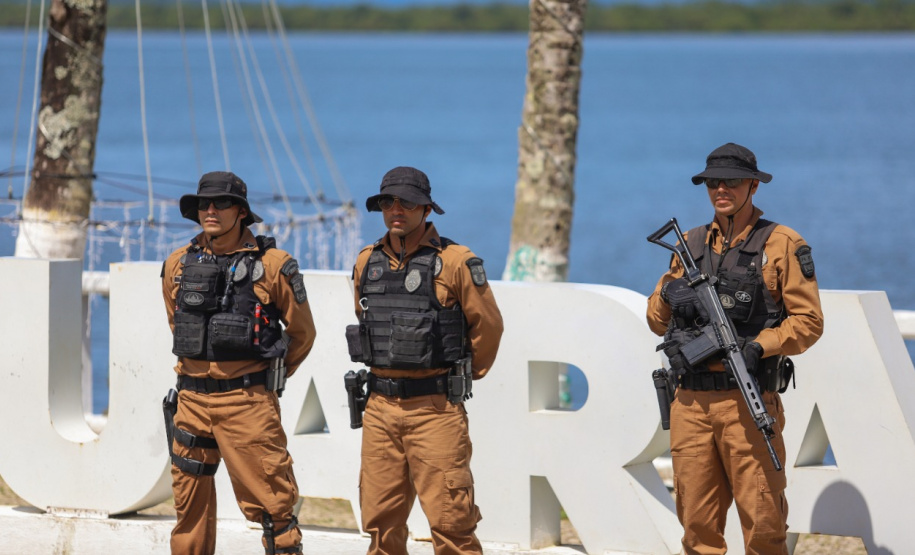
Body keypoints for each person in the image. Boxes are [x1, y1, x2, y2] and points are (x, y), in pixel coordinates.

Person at [646, 143, 824, 555]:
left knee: (763, 526)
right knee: (696, 527)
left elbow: (809, 321)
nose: (721, 189)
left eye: (732, 181)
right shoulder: (688, 244)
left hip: (747, 402)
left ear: (753, 187)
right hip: (689, 403)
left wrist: (761, 346)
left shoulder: (781, 244)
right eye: (712, 182)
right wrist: (669, 294)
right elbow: (656, 320)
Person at [346, 166, 504, 554]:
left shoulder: (455, 262)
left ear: (426, 208)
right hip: (380, 409)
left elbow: (488, 327)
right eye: (388, 201)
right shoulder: (367, 261)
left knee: (452, 525)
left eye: (407, 201)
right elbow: (363, 317)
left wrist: (459, 378)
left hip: (435, 410)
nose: (396, 209)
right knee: (381, 526)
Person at [161, 171, 316, 555]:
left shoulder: (275, 265)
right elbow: (177, 324)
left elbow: (302, 334)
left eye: (221, 203)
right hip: (191, 401)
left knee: (275, 510)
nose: (210, 210)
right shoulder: (178, 264)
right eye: (203, 204)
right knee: (188, 511)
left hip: (247, 403)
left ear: (242, 212)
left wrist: (265, 378)